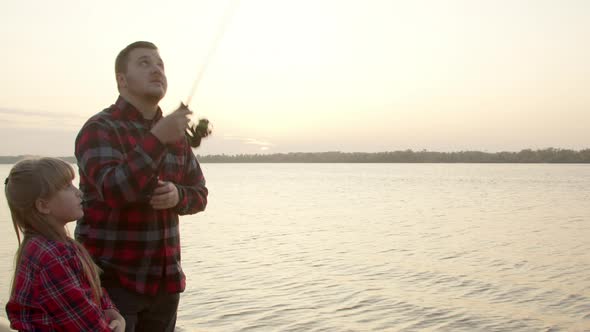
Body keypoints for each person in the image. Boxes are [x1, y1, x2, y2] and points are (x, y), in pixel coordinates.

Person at [74, 41, 208, 332]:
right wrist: (157, 138)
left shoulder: (175, 133)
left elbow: (199, 194)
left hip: (165, 285)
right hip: (111, 284)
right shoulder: (99, 129)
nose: (156, 69)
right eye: (144, 63)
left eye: (160, 64)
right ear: (122, 80)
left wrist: (177, 195)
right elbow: (113, 190)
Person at [4, 157, 125, 331]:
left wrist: (110, 310)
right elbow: (85, 325)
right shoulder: (50, 256)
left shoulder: (63, 245)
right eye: (67, 186)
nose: (79, 192)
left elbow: (92, 290)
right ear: (43, 205)